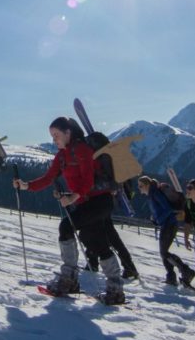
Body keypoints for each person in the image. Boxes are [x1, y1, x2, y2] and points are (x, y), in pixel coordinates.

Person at [13, 116, 125, 305]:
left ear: (68, 133)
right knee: (94, 241)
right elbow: (48, 178)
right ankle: (115, 289)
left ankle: (69, 279)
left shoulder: (82, 150)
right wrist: (26, 186)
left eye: (56, 135)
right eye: (52, 136)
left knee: (66, 227)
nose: (54, 139)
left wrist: (72, 197)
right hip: (87, 202)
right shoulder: (62, 156)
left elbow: (88, 180)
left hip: (100, 200)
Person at [138, 174, 193, 286]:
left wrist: (158, 220)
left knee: (164, 252)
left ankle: (185, 270)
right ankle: (172, 276)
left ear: (147, 184)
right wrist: (155, 219)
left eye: (141, 186)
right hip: (168, 224)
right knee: (164, 252)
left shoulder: (155, 194)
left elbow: (168, 209)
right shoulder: (152, 194)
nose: (139, 189)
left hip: (169, 224)